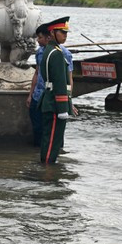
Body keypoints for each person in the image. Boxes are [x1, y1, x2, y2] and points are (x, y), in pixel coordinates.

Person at [27, 22, 76, 148]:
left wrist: (68, 100)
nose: (38, 40)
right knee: (38, 129)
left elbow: (68, 79)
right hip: (38, 96)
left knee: (55, 133)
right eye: (63, 33)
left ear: (48, 37)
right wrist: (30, 94)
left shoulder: (64, 54)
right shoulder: (40, 53)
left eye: (40, 37)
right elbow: (37, 73)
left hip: (54, 97)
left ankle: (53, 156)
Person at [39, 16, 73, 164]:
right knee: (52, 140)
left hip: (49, 99)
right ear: (52, 33)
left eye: (66, 33)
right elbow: (60, 83)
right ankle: (47, 173)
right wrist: (63, 107)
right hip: (55, 102)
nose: (65, 35)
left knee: (49, 139)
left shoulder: (49, 50)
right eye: (62, 32)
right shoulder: (57, 53)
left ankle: (46, 168)